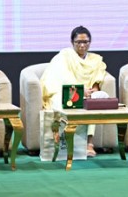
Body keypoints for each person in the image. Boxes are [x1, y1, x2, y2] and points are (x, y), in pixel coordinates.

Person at [40, 25, 106, 157]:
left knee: (99, 97)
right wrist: (79, 90)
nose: (82, 45)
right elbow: (60, 77)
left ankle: (89, 144)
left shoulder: (96, 60)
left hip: (88, 94)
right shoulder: (65, 56)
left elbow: (97, 81)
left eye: (85, 42)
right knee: (59, 100)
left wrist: (93, 90)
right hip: (70, 92)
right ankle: (64, 143)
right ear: (72, 42)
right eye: (78, 42)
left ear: (90, 42)